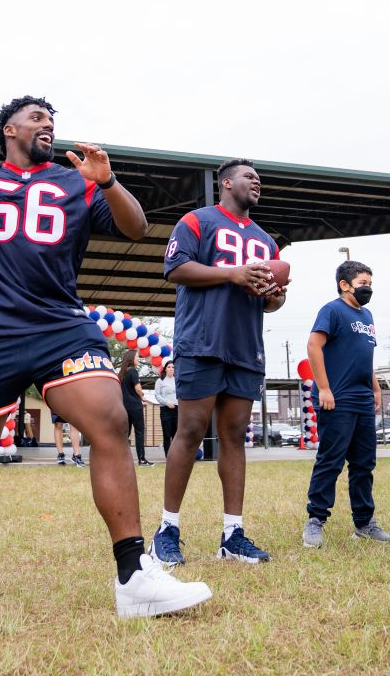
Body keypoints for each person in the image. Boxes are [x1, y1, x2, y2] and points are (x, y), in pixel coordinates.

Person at [0, 94, 210, 617]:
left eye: (51, 120)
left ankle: (132, 576)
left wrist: (106, 181)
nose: (48, 126)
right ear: (8, 130)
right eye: (36, 118)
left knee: (108, 420)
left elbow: (136, 227)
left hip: (60, 325)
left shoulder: (75, 182)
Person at [150, 158, 287, 566]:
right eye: (249, 176)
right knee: (190, 430)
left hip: (245, 345)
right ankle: (166, 529)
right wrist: (234, 275)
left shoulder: (266, 240)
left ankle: (232, 534)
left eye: (259, 179)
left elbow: (274, 302)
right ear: (226, 183)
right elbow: (175, 269)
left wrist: (273, 294)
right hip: (202, 339)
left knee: (234, 435)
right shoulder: (197, 221)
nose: (256, 183)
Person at [300, 261, 390, 548]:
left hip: (363, 399)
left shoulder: (367, 315)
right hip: (336, 401)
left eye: (370, 283)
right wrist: (324, 388)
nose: (368, 288)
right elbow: (313, 346)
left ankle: (364, 523)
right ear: (345, 284)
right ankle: (316, 520)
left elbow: (365, 356)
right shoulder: (331, 310)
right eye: (363, 282)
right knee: (331, 461)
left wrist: (376, 389)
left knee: (364, 464)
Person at [120, 350, 152, 466]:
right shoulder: (133, 371)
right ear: (131, 358)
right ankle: (142, 459)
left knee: (125, 434)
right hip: (135, 406)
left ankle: (119, 459)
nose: (139, 359)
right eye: (137, 357)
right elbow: (138, 388)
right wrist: (142, 397)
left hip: (124, 407)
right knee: (139, 432)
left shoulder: (122, 373)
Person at [155, 360, 179, 455]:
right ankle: (168, 455)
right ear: (165, 369)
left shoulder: (177, 380)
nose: (171, 369)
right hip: (166, 410)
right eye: (169, 367)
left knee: (176, 434)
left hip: (177, 409)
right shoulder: (160, 381)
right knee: (167, 434)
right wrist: (167, 402)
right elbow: (157, 395)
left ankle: (176, 455)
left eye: (173, 367)